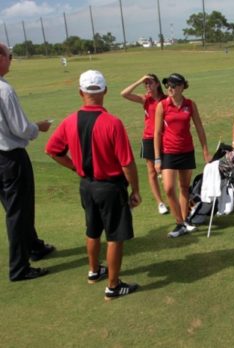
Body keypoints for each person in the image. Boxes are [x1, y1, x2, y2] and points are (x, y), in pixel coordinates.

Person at [45, 70, 140, 300]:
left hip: (86, 186)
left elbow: (52, 150)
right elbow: (126, 163)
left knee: (93, 230)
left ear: (81, 92)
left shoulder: (69, 121)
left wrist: (75, 167)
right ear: (105, 91)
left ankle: (94, 271)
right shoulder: (113, 123)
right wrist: (135, 189)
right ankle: (113, 286)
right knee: (115, 237)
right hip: (110, 187)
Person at [0, 42, 54, 281]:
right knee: (18, 211)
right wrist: (38, 128)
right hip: (10, 158)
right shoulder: (4, 90)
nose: (11, 59)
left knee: (15, 208)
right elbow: (21, 129)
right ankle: (19, 268)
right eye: (9, 55)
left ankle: (34, 246)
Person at [154, 73, 211, 238]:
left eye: (172, 86)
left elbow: (199, 127)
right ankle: (180, 222)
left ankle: (185, 221)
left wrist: (205, 151)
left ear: (181, 87)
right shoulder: (162, 105)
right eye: (167, 86)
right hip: (169, 152)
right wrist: (157, 158)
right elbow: (157, 133)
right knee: (169, 188)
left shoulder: (190, 104)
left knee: (184, 188)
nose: (169, 89)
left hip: (187, 151)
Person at [121, 74, 169, 215]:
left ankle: (172, 197)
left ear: (157, 84)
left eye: (150, 83)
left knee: (168, 170)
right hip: (149, 138)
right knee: (152, 171)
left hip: (165, 138)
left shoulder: (166, 99)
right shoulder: (145, 99)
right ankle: (160, 202)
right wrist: (140, 80)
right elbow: (124, 93)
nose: (147, 86)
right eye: (145, 84)